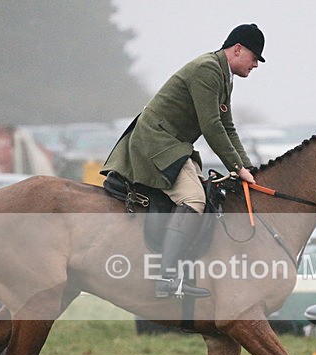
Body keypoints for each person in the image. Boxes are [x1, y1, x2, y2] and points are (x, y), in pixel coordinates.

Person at [101, 24, 263, 298]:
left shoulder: (224, 76)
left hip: (173, 144)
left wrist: (249, 168)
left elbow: (228, 127)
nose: (256, 65)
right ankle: (166, 279)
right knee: (193, 200)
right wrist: (237, 168)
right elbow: (211, 126)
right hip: (157, 142)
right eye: (255, 57)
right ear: (237, 49)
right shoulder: (208, 70)